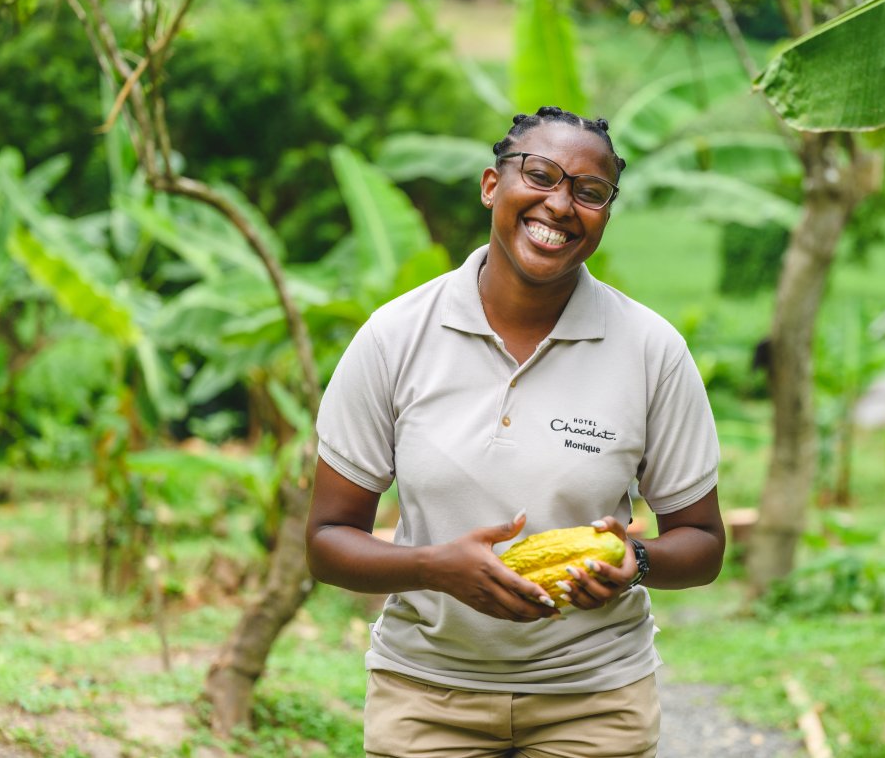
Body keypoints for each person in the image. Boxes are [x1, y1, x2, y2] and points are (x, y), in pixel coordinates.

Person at [306, 105, 725, 758]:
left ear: (606, 215)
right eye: (540, 175)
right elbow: (328, 541)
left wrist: (634, 562)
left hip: (594, 698)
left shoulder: (650, 349)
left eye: (590, 192)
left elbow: (702, 542)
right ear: (490, 185)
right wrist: (433, 568)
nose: (561, 205)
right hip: (427, 695)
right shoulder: (395, 337)